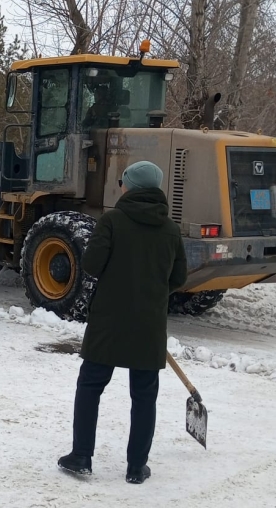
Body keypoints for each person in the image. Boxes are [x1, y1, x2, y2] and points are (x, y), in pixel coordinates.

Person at [58, 160, 187, 485]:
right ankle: (136, 467)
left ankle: (82, 456)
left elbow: (91, 265)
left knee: (90, 386)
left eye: (124, 182)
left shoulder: (112, 221)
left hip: (108, 322)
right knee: (144, 396)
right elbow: (179, 277)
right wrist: (153, 293)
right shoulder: (170, 229)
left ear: (130, 186)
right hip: (149, 324)